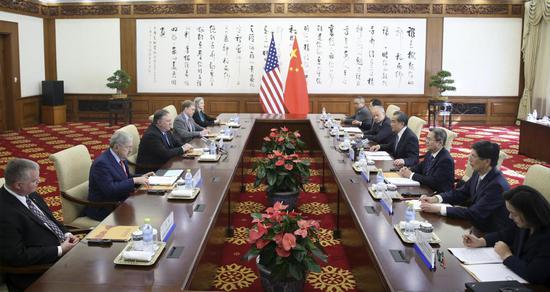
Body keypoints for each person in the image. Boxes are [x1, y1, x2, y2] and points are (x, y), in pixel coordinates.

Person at [0, 158, 79, 291]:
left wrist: (67, 233)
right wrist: (59, 250)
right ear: (18, 185)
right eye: (34, 181)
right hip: (38, 272)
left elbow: (51, 220)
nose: (39, 182)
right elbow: (18, 256)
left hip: (62, 254)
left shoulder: (31, 194)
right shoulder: (4, 213)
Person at [463, 186, 550, 286]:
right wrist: (481, 241)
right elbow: (506, 234)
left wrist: (507, 256)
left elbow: (534, 275)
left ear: (529, 213)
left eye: (514, 214)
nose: (510, 217)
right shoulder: (527, 223)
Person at [420, 141, 511, 232]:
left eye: (473, 156)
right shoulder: (478, 172)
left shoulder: (497, 186)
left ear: (487, 162)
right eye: (470, 155)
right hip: (475, 224)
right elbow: (461, 193)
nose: (469, 159)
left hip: (489, 232)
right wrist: (436, 198)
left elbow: (474, 212)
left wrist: (439, 209)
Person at [85, 131, 154, 221]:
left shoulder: (120, 156)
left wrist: (142, 177)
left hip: (121, 200)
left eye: (131, 147)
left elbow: (124, 177)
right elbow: (110, 190)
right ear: (117, 147)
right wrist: (134, 180)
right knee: (143, 214)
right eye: (128, 147)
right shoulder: (101, 164)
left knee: (149, 205)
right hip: (105, 207)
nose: (130, 150)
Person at [136, 109, 193, 174]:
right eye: (168, 121)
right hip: (151, 170)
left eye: (170, 120)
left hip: (164, 163)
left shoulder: (165, 129)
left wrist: (186, 147)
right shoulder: (152, 135)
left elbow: (175, 142)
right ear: (159, 122)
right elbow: (165, 154)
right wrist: (182, 149)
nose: (170, 123)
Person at [399, 128, 455, 193]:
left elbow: (434, 181)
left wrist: (411, 175)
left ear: (440, 143)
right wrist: (408, 169)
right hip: (427, 189)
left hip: (438, 194)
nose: (426, 141)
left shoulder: (446, 160)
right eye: (427, 138)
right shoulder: (430, 153)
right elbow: (421, 166)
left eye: (429, 139)